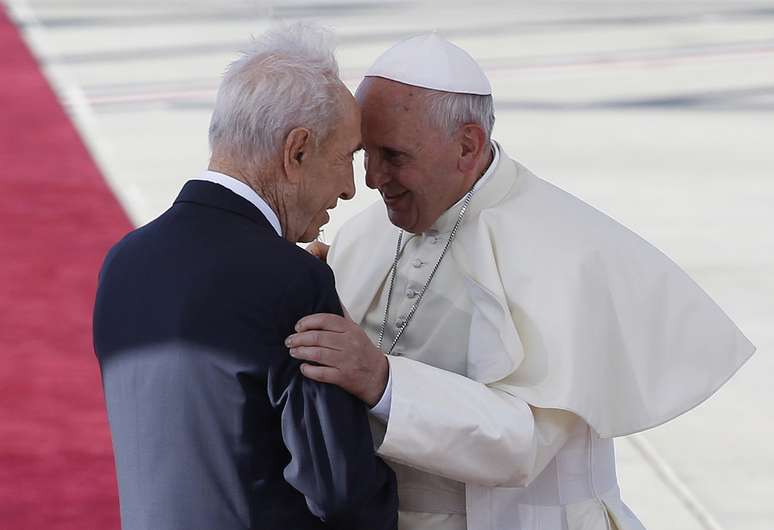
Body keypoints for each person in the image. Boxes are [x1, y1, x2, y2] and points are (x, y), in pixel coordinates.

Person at [286, 34, 756, 530]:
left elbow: (521, 445)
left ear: (467, 146)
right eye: (365, 154)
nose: (372, 179)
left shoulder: (563, 252)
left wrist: (383, 380)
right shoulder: (367, 234)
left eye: (394, 156)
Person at [93, 24, 398, 530]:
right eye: (347, 157)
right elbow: (342, 494)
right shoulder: (294, 283)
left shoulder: (124, 260)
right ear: (296, 151)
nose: (349, 188)